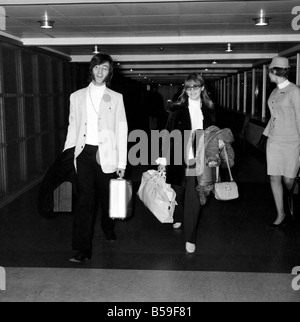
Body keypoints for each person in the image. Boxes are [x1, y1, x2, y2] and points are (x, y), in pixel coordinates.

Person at [64, 53, 128, 262]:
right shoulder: (76, 96)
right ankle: (83, 250)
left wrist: (122, 162)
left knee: (107, 197)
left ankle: (108, 228)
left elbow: (121, 128)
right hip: (83, 154)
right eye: (97, 67)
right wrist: (68, 155)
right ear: (91, 69)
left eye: (105, 68)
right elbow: (72, 127)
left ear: (110, 73)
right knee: (85, 201)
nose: (100, 71)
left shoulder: (116, 97)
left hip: (107, 154)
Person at [157, 73, 215, 253]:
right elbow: (167, 135)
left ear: (202, 88)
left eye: (195, 87)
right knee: (179, 192)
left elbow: (215, 134)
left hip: (201, 161)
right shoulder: (177, 110)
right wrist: (162, 160)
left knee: (194, 197)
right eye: (188, 88)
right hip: (180, 159)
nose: (192, 91)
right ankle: (178, 214)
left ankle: (190, 237)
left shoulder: (210, 109)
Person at [263, 56, 300, 229]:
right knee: (274, 177)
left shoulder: (295, 91)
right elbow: (274, 116)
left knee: (288, 180)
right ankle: (280, 213)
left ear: (274, 71)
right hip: (274, 141)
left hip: (292, 142)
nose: (268, 75)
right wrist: (265, 136)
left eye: (269, 71)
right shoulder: (274, 91)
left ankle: (294, 194)